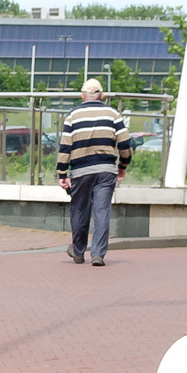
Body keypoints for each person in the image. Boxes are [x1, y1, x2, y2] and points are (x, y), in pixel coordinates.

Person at [57, 78, 132, 266]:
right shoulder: (113, 114)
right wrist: (123, 165)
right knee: (102, 211)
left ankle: (78, 250)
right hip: (106, 170)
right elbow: (125, 144)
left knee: (80, 210)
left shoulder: (72, 116)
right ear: (102, 95)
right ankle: (98, 254)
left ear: (82, 96)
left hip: (81, 170)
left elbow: (65, 146)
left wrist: (62, 173)